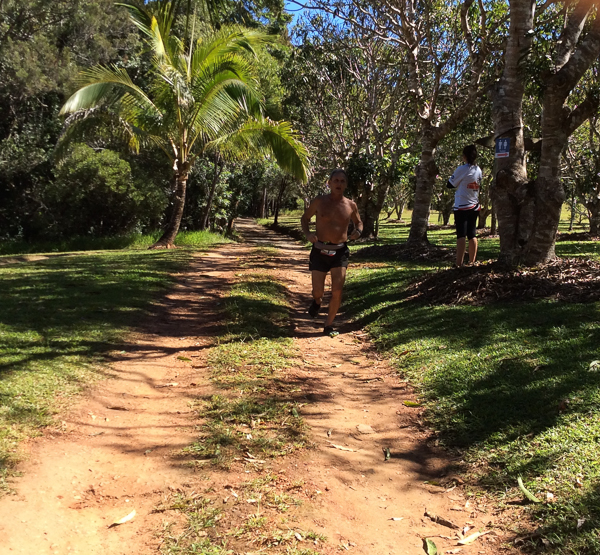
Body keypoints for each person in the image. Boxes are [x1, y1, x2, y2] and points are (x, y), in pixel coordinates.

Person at [301, 169, 363, 336]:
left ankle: (328, 325)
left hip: (340, 252)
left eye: (342, 181)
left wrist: (358, 231)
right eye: (335, 180)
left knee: (337, 290)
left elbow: (359, 222)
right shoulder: (319, 201)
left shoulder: (351, 205)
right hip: (319, 250)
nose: (338, 184)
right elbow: (305, 218)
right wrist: (308, 234)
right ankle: (317, 301)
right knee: (318, 291)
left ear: (346, 185)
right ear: (329, 183)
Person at [447, 144, 483, 267]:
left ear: (465, 156)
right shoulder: (478, 170)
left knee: (461, 235)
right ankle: (472, 262)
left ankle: (459, 263)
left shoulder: (462, 169)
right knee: (472, 234)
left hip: (462, 206)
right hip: (474, 206)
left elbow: (450, 184)